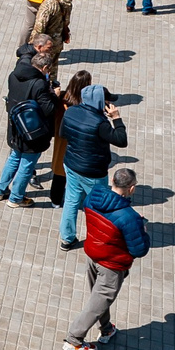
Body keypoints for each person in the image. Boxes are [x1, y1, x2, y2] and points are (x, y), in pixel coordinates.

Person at [65, 167, 149, 350]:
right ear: (132, 188)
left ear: (112, 180)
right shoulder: (130, 217)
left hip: (92, 254)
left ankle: (106, 329)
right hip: (111, 265)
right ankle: (74, 340)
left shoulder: (94, 196)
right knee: (97, 303)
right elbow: (139, 250)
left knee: (98, 299)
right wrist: (142, 230)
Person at [58, 81, 126, 250]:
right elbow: (121, 140)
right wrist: (116, 118)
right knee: (98, 207)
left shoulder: (71, 111)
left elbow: (62, 134)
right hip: (93, 171)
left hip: (71, 165)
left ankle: (67, 238)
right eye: (107, 101)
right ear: (100, 102)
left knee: (71, 201)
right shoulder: (100, 123)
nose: (109, 104)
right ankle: (99, 239)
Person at [0, 39, 58, 207]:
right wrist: (54, 94)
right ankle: (16, 198)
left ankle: (0, 190)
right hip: (32, 131)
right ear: (44, 68)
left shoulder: (14, 75)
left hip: (15, 127)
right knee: (27, 164)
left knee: (14, 157)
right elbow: (49, 109)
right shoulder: (39, 84)